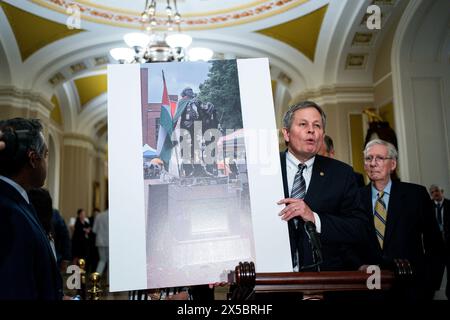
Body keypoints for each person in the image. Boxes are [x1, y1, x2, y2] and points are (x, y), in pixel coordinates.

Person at [278, 101, 371, 272]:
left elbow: (359, 228)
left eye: (317, 126)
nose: (311, 130)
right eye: (303, 124)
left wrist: (314, 218)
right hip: (272, 277)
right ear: (286, 133)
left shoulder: (342, 174)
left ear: (322, 135)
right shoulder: (266, 170)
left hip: (325, 277)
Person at [359, 139, 444, 300]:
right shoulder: (355, 198)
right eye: (368, 158)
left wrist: (430, 284)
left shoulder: (416, 195)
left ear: (392, 164)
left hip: (411, 287)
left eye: (379, 158)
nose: (373, 163)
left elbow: (435, 244)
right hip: (368, 288)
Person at [0, 118, 63, 299]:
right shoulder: (8, 212)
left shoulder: (20, 202)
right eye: (45, 155)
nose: (45, 162)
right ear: (33, 159)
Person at [429, 184, 450, 299]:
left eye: (436, 191)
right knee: (435, 270)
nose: (435, 193)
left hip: (448, 242)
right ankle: (433, 293)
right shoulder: (428, 207)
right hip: (436, 245)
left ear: (441, 191)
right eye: (432, 192)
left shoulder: (449, 204)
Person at [92, 209, 109, 276]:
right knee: (110, 263)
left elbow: (94, 230)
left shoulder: (99, 216)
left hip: (99, 241)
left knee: (102, 261)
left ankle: (96, 280)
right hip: (109, 242)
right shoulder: (114, 215)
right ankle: (109, 282)